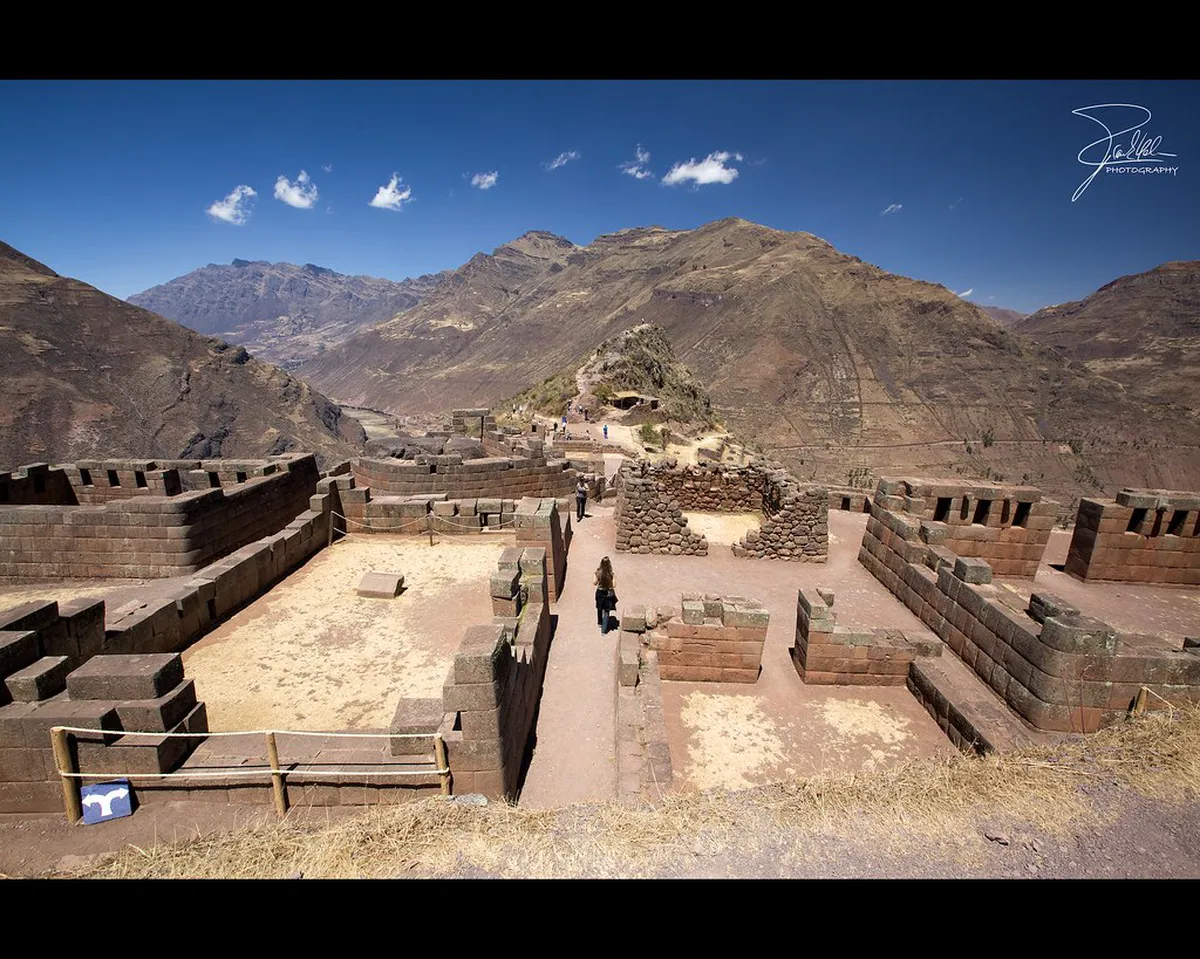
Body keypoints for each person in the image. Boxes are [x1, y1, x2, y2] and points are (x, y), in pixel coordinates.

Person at [594, 556, 616, 633]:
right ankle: (603, 630)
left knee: (599, 608)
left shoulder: (597, 572)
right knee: (606, 611)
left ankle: (600, 622)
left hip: (600, 593)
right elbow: (614, 585)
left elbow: (594, 583)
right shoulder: (611, 574)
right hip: (608, 594)